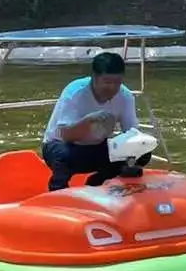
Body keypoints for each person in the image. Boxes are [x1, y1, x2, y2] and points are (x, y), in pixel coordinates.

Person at [40, 51, 149, 191]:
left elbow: (132, 132)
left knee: (142, 153)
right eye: (107, 82)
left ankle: (97, 181)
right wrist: (87, 122)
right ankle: (57, 189)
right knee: (65, 155)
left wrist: (138, 145)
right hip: (62, 145)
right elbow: (64, 135)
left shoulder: (125, 95)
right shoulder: (76, 92)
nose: (112, 88)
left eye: (117, 82)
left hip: (97, 146)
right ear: (94, 78)